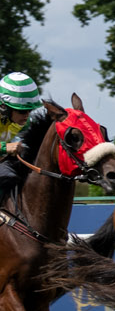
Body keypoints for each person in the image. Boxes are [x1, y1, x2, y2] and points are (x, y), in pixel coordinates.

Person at [0, 71, 50, 210]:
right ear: (4, 107)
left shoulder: (23, 122)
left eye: (29, 110)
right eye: (22, 111)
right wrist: (4, 148)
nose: (27, 115)